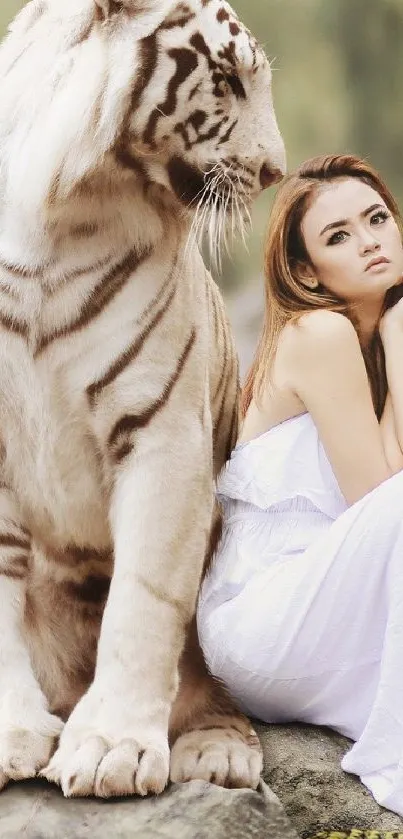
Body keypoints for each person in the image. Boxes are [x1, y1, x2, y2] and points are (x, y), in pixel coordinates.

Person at [197, 154, 403, 815]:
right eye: (338, 235)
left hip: (324, 607)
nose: (369, 240)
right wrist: (399, 332)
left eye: (376, 218)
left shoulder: (365, 346)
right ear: (307, 270)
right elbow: (380, 499)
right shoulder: (321, 333)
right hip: (261, 619)